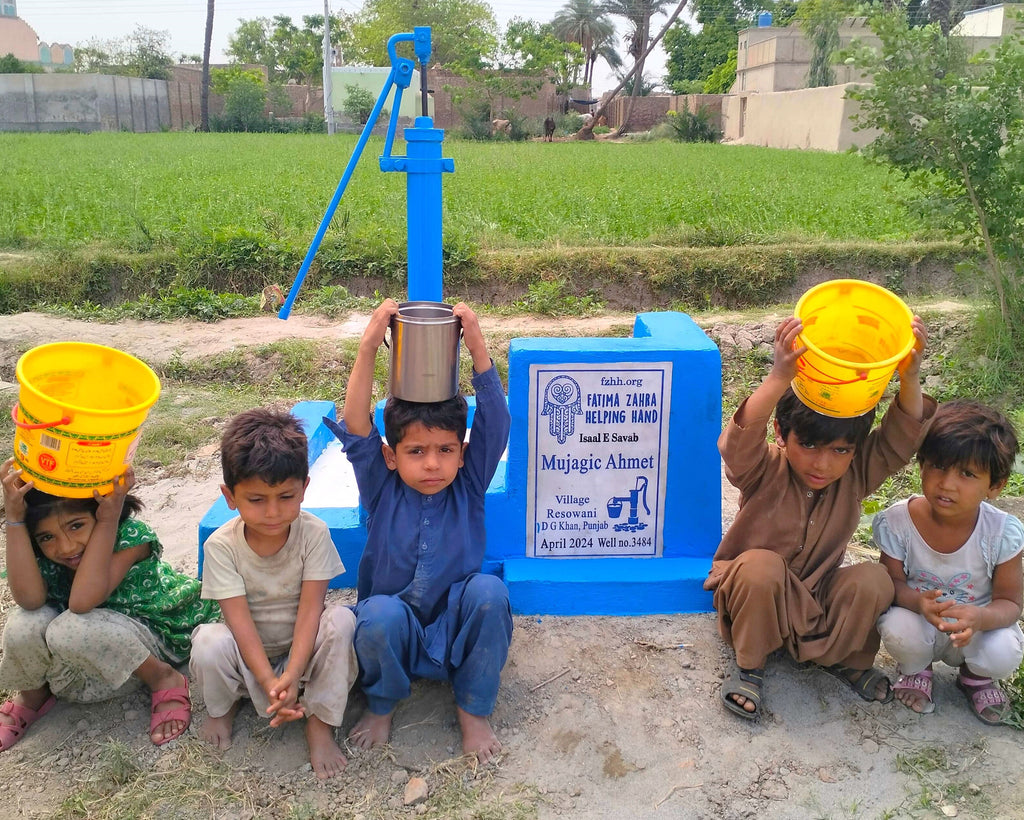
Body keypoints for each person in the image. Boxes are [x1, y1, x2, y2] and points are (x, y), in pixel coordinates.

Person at [705, 314, 934, 719]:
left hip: (817, 601)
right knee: (761, 566)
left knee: (873, 578)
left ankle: (842, 659)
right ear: (782, 433)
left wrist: (910, 377)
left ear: (855, 450)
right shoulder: (763, 469)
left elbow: (900, 437)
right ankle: (750, 667)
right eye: (808, 444)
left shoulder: (857, 474)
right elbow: (736, 442)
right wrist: (779, 376)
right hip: (756, 599)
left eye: (841, 450)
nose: (823, 464)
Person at [326, 298, 512, 764]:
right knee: (377, 615)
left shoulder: (467, 484)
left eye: (446, 449)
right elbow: (356, 423)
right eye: (416, 452)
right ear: (391, 455)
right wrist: (370, 345)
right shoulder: (381, 487)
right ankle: (383, 703)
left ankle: (472, 710)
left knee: (490, 593)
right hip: (394, 634)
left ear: (463, 451)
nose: (433, 463)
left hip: (455, 629)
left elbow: (497, 422)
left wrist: (477, 347)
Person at [0, 460, 219, 752]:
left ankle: (162, 677)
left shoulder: (129, 537)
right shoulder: (46, 555)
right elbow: (29, 600)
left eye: (76, 526)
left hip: (147, 639)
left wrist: (107, 521)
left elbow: (81, 602)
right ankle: (33, 694)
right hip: (88, 652)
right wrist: (15, 518)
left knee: (70, 627)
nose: (65, 547)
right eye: (46, 537)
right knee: (24, 622)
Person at [190, 409, 357, 779]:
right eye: (256, 499)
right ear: (229, 497)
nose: (273, 512)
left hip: (303, 650)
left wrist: (294, 674)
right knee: (208, 641)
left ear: (305, 487)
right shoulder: (221, 546)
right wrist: (270, 682)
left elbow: (311, 611)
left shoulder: (313, 534)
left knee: (342, 620)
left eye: (285, 496)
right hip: (250, 655)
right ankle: (222, 709)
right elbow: (239, 623)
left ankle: (320, 722)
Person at [874, 400, 1024, 724]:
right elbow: (892, 584)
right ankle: (917, 669)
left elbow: (1010, 602)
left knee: (1005, 649)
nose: (947, 483)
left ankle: (975, 677)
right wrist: (918, 602)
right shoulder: (899, 522)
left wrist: (980, 618)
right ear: (922, 465)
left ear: (994, 486)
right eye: (939, 466)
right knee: (897, 626)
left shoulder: (1001, 533)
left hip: (974, 629)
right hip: (920, 621)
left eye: (967, 473)